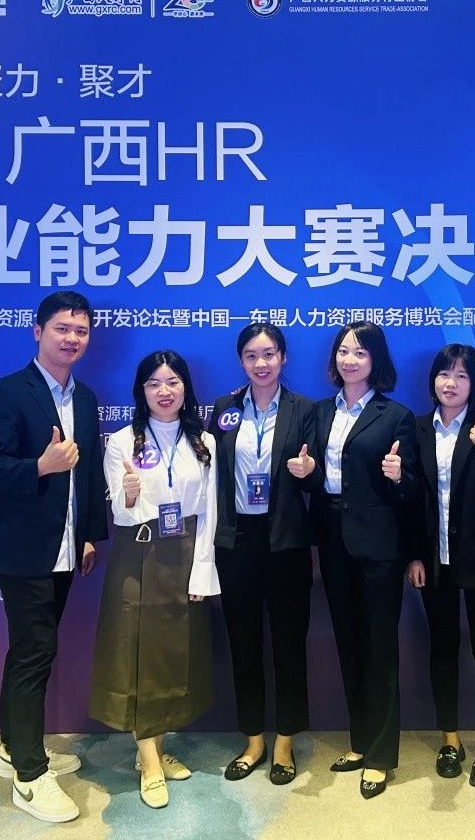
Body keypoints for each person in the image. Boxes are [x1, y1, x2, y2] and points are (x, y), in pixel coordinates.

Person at [0, 291, 107, 824]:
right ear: (38, 331)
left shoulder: (87, 400)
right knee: (34, 653)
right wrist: (41, 465)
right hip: (22, 548)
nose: (72, 338)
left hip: (66, 547)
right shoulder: (5, 392)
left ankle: (14, 749)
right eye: (62, 329)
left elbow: (89, 473)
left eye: (81, 330)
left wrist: (89, 535)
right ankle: (30, 777)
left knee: (31, 652)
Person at [89, 350, 220, 809]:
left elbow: (210, 511)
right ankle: (148, 760)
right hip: (139, 553)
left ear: (185, 388)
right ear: (140, 391)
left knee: (171, 655)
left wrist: (203, 569)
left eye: (172, 382)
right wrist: (127, 496)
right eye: (153, 383)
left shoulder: (205, 441)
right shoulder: (122, 441)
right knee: (137, 653)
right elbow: (120, 515)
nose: (164, 392)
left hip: (185, 553)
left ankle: (156, 750)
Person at [307, 321, 418, 799]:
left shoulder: (395, 415)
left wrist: (398, 475)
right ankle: (359, 742)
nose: (349, 360)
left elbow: (412, 491)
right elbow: (314, 478)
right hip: (332, 540)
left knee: (379, 648)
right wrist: (307, 473)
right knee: (348, 643)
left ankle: (381, 755)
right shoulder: (318, 412)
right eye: (343, 351)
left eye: (360, 352)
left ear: (376, 361)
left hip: (379, 546)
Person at [208, 322, 320, 786]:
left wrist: (309, 471)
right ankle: (253, 740)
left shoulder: (304, 409)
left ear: (283, 358)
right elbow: (211, 472)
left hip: (285, 541)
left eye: (269, 354)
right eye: (252, 355)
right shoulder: (224, 408)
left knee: (289, 645)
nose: (261, 363)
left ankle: (285, 742)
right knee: (244, 645)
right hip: (237, 541)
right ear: (241, 360)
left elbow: (319, 479)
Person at [406, 344, 475, 787]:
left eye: (461, 375)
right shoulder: (416, 428)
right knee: (443, 647)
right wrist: (415, 554)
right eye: (444, 374)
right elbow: (413, 500)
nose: (450, 383)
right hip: (435, 560)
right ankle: (450, 739)